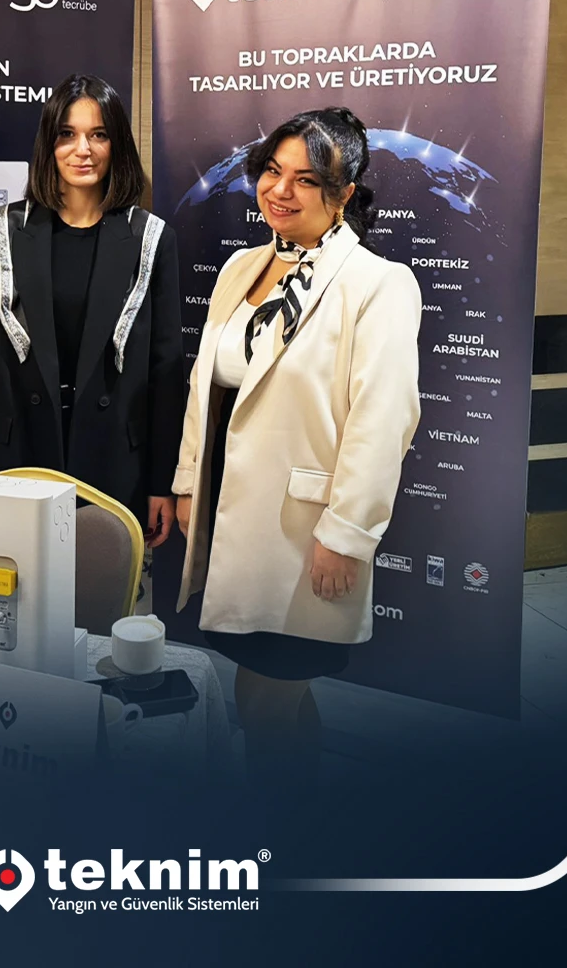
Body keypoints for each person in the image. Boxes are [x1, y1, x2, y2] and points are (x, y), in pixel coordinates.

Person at [172, 107, 421, 783]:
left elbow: (383, 421)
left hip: (301, 528)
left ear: (344, 193)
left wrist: (348, 534)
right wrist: (190, 480)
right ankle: (296, 805)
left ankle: (275, 823)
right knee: (269, 686)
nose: (281, 190)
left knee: (266, 693)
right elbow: (205, 386)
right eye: (273, 171)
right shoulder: (240, 267)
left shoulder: (378, 283)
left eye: (307, 179)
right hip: (233, 514)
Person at [0, 74, 185, 546]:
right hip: (16, 457)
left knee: (100, 586)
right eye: (67, 134)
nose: (83, 150)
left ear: (117, 144)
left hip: (114, 462)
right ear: (49, 142)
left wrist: (161, 483)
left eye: (98, 134)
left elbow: (165, 372)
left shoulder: (150, 237)